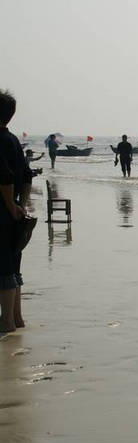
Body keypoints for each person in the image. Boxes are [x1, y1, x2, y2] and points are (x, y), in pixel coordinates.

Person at [0, 90, 32, 332]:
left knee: (4, 267)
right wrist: (22, 204)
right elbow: (26, 176)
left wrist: (11, 206)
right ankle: (17, 318)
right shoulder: (12, 140)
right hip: (14, 211)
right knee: (12, 264)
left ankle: (7, 321)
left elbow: (5, 178)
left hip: (4, 212)